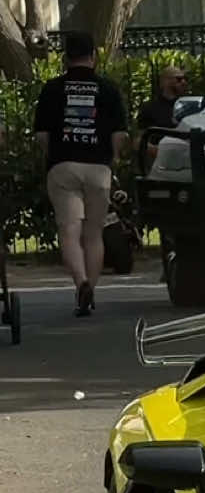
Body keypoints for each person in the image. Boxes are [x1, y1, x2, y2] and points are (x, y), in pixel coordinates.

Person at [33, 29, 129, 317]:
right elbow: (119, 135)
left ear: (65, 58)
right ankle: (91, 291)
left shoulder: (52, 89)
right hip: (98, 168)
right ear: (94, 56)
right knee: (93, 235)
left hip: (63, 167)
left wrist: (52, 155)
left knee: (69, 232)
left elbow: (42, 136)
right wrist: (113, 160)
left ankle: (81, 282)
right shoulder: (108, 90)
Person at [137, 62, 188, 136]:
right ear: (165, 81)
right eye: (178, 79)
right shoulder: (149, 108)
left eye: (185, 79)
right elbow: (140, 139)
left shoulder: (188, 106)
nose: (184, 82)